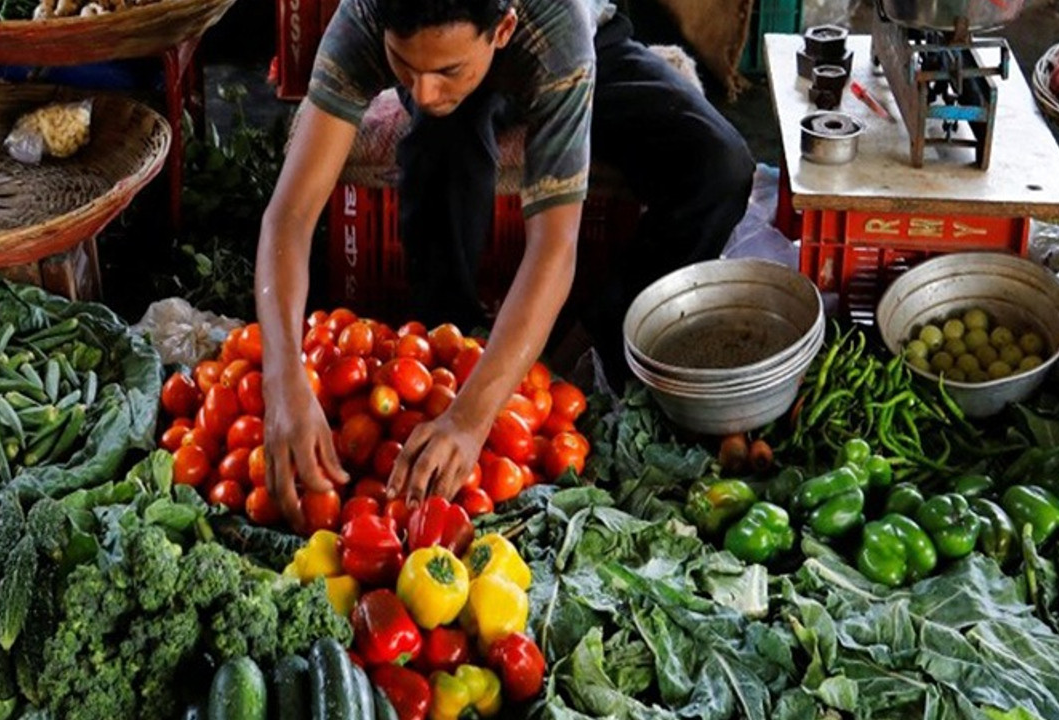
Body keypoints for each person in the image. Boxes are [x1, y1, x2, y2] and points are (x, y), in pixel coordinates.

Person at [255, 0, 754, 530]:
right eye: (405, 66)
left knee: (720, 165)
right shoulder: (365, 17)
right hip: (468, 87)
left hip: (585, 51)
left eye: (445, 71)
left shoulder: (554, 32)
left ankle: (590, 347)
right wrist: (283, 377)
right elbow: (288, 215)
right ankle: (440, 350)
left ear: (504, 28)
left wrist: (472, 422)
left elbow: (553, 247)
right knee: (437, 139)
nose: (421, 90)